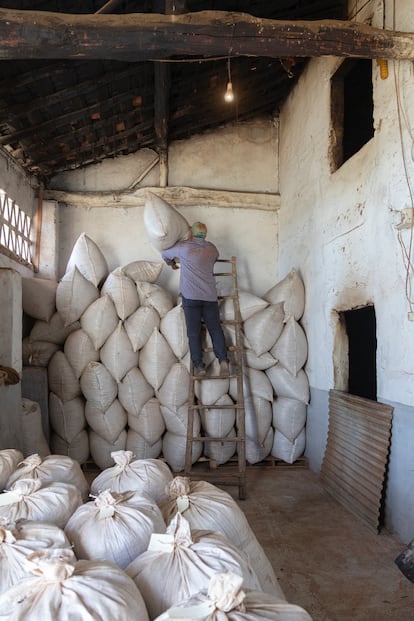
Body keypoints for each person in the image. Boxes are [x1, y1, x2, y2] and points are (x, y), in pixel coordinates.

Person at [162, 221, 229, 378]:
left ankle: (199, 367)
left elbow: (165, 254)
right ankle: (224, 361)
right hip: (210, 297)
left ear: (191, 233)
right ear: (205, 235)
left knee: (193, 333)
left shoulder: (184, 247)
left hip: (191, 297)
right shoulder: (212, 249)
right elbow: (214, 259)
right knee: (215, 329)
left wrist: (171, 263)